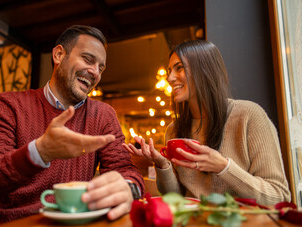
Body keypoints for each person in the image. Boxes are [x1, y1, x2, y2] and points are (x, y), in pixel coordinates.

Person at [0, 25, 144, 227]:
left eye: (101, 68)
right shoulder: (9, 105)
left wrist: (130, 188)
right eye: (88, 59)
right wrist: (39, 152)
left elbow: (124, 169)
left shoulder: (102, 115)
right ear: (58, 55)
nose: (95, 72)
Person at [123, 40, 291, 205]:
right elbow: (177, 197)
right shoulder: (173, 130)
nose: (170, 78)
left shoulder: (248, 115)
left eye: (179, 68)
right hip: (193, 226)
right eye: (169, 71)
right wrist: (161, 163)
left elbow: (279, 195)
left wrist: (224, 167)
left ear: (204, 69)